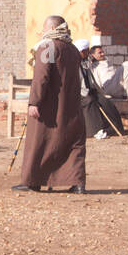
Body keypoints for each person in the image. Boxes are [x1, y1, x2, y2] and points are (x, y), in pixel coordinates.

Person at [16, 15, 86, 193]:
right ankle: (77, 183)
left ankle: (33, 180)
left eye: (44, 28)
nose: (42, 31)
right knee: (72, 143)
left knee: (39, 141)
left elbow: (41, 76)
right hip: (71, 106)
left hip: (50, 106)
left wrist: (34, 102)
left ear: (52, 28)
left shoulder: (48, 46)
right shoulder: (72, 48)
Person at [76, 39, 124, 138]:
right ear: (80, 52)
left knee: (105, 100)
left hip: (89, 90)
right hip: (79, 94)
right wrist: (86, 92)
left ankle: (114, 128)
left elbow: (90, 79)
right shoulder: (73, 64)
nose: (88, 52)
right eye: (86, 50)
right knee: (89, 101)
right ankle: (94, 130)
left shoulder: (85, 62)